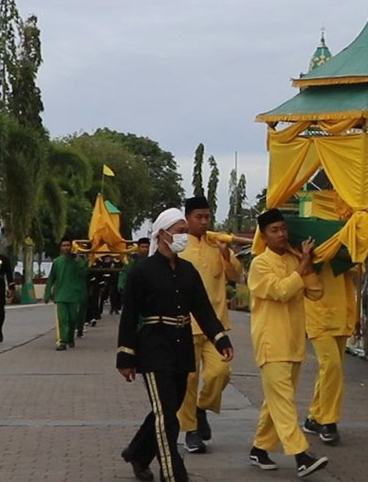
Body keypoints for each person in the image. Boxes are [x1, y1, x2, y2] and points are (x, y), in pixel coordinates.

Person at [118, 207, 233, 482]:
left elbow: (203, 309)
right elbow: (129, 315)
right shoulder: (141, 271)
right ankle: (172, 472)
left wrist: (221, 339)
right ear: (162, 234)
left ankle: (137, 452)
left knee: (168, 409)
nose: (184, 237)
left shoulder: (188, 271)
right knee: (167, 417)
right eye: (181, 232)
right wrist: (125, 356)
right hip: (154, 347)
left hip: (181, 348)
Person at [247, 208, 329, 478]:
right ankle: (301, 455)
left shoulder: (295, 259)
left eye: (283, 229)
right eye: (275, 230)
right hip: (271, 343)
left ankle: (259, 448)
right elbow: (281, 292)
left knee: (276, 401)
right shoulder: (259, 264)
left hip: (294, 343)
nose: (281, 234)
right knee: (283, 402)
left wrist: (308, 265)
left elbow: (316, 293)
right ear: (264, 235)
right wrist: (302, 268)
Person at [176, 195, 243, 454]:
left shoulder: (218, 246)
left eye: (207, 217)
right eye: (198, 217)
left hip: (215, 327)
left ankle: (201, 408)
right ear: (188, 219)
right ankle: (191, 431)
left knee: (220, 373)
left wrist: (227, 256)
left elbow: (236, 275)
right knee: (189, 379)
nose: (204, 222)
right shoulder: (179, 247)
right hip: (185, 325)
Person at [301, 262, 358, 445]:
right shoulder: (311, 245)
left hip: (341, 312)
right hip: (317, 312)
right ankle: (328, 421)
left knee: (330, 370)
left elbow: (355, 267)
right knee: (331, 365)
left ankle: (314, 417)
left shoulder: (342, 243)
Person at [45, 238, 88, 351]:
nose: (66, 248)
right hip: (60, 296)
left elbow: (85, 273)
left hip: (74, 296)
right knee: (62, 319)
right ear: (61, 248)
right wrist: (47, 293)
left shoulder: (78, 261)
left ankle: (70, 338)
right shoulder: (57, 262)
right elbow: (51, 278)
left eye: (68, 245)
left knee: (73, 319)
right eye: (64, 245)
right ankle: (62, 342)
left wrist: (79, 260)